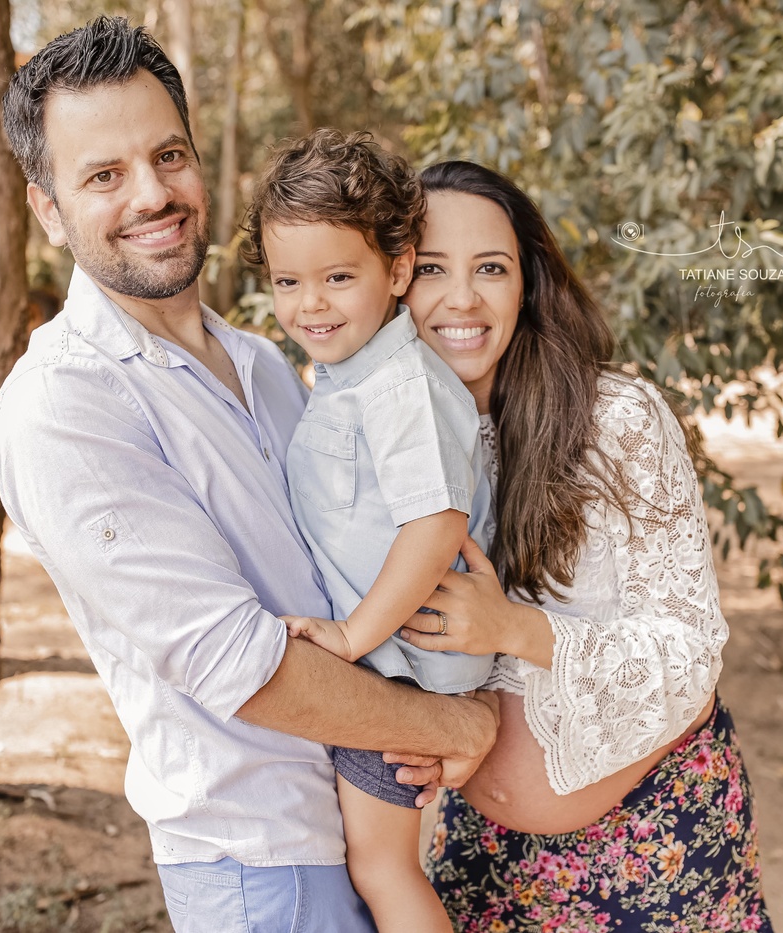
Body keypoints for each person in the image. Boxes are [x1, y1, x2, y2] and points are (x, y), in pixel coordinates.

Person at [0, 20, 498, 933]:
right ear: (48, 210)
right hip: (262, 867)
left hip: (367, 815)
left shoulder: (270, 364)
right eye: (103, 175)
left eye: (168, 155)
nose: (152, 193)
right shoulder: (64, 403)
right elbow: (241, 666)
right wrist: (456, 725)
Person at [398, 161, 774, 931]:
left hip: (655, 846)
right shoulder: (395, 444)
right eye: (432, 268)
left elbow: (690, 649)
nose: (462, 298)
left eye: (491, 268)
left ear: (527, 285)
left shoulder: (618, 420)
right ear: (394, 281)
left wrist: (514, 628)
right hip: (482, 854)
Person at [240, 128, 495, 933]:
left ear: (398, 269)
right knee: (377, 865)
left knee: (383, 868)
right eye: (289, 281)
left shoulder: (399, 386)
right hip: (389, 663)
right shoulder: (347, 375)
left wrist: (353, 637)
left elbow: (436, 521)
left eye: (338, 277)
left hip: (401, 672)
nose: (310, 304)